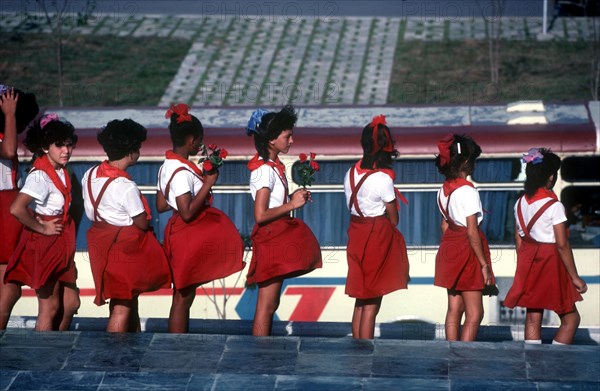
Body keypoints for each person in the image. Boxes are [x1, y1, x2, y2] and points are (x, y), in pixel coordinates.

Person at [157, 103, 244, 333]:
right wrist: (207, 184)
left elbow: (161, 204)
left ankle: (177, 342)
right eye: (199, 140)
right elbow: (186, 212)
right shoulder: (182, 172)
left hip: (176, 231)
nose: (200, 145)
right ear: (191, 140)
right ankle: (176, 345)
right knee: (183, 298)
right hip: (186, 233)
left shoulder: (167, 165)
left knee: (183, 294)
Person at [82, 119, 172, 332]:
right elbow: (141, 222)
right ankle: (115, 356)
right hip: (124, 248)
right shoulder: (125, 186)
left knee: (123, 298)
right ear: (131, 151)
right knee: (123, 305)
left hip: (101, 244)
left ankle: (130, 345)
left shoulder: (90, 174)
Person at [245, 105, 322, 336]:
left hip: (274, 236)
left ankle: (262, 348)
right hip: (270, 236)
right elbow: (260, 215)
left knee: (271, 304)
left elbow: (270, 205)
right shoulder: (264, 171)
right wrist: (291, 204)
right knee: (266, 305)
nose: (291, 140)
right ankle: (260, 351)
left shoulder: (271, 167)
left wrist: (291, 198)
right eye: (287, 136)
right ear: (271, 140)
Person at [4, 114, 80, 331]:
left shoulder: (60, 170)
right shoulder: (39, 176)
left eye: (69, 145)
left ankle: (57, 347)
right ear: (46, 147)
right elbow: (16, 208)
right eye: (59, 146)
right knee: (50, 306)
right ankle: (44, 356)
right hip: (47, 242)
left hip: (61, 239)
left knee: (71, 302)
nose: (66, 151)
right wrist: (42, 228)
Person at [504, 148, 587, 345]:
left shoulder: (520, 202)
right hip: (551, 261)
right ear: (551, 177)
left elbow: (519, 239)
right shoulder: (554, 206)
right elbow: (561, 244)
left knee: (533, 314)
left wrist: (525, 263)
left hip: (529, 258)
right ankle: (555, 359)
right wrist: (575, 278)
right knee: (570, 318)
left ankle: (532, 362)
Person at [343, 115, 410, 339]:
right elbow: (394, 218)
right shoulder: (383, 179)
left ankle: (356, 348)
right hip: (376, 236)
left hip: (356, 234)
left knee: (360, 299)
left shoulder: (350, 173)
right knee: (372, 303)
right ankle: (365, 354)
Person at [434, 133, 496, 342]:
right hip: (468, 251)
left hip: (450, 248)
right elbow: (472, 231)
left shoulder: (443, 189)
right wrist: (484, 264)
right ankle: (465, 355)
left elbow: (444, 224)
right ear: (467, 161)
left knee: (454, 308)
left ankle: (451, 352)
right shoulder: (468, 191)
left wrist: (452, 249)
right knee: (475, 313)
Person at [0, 86, 38, 329]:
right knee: (10, 284)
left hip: (7, 206)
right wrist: (10, 114)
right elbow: (9, 151)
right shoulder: (5, 139)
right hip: (4, 208)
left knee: (10, 283)